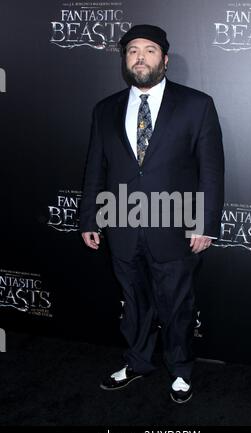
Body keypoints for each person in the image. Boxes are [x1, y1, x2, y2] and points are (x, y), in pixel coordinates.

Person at [80, 24, 224, 404]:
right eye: (131, 51)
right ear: (124, 59)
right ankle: (138, 361)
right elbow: (95, 167)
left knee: (177, 303)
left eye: (148, 50)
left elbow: (210, 170)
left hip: (175, 225)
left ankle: (180, 369)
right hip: (121, 222)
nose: (139, 57)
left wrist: (205, 223)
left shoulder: (197, 105)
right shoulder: (105, 109)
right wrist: (90, 218)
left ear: (164, 58)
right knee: (134, 301)